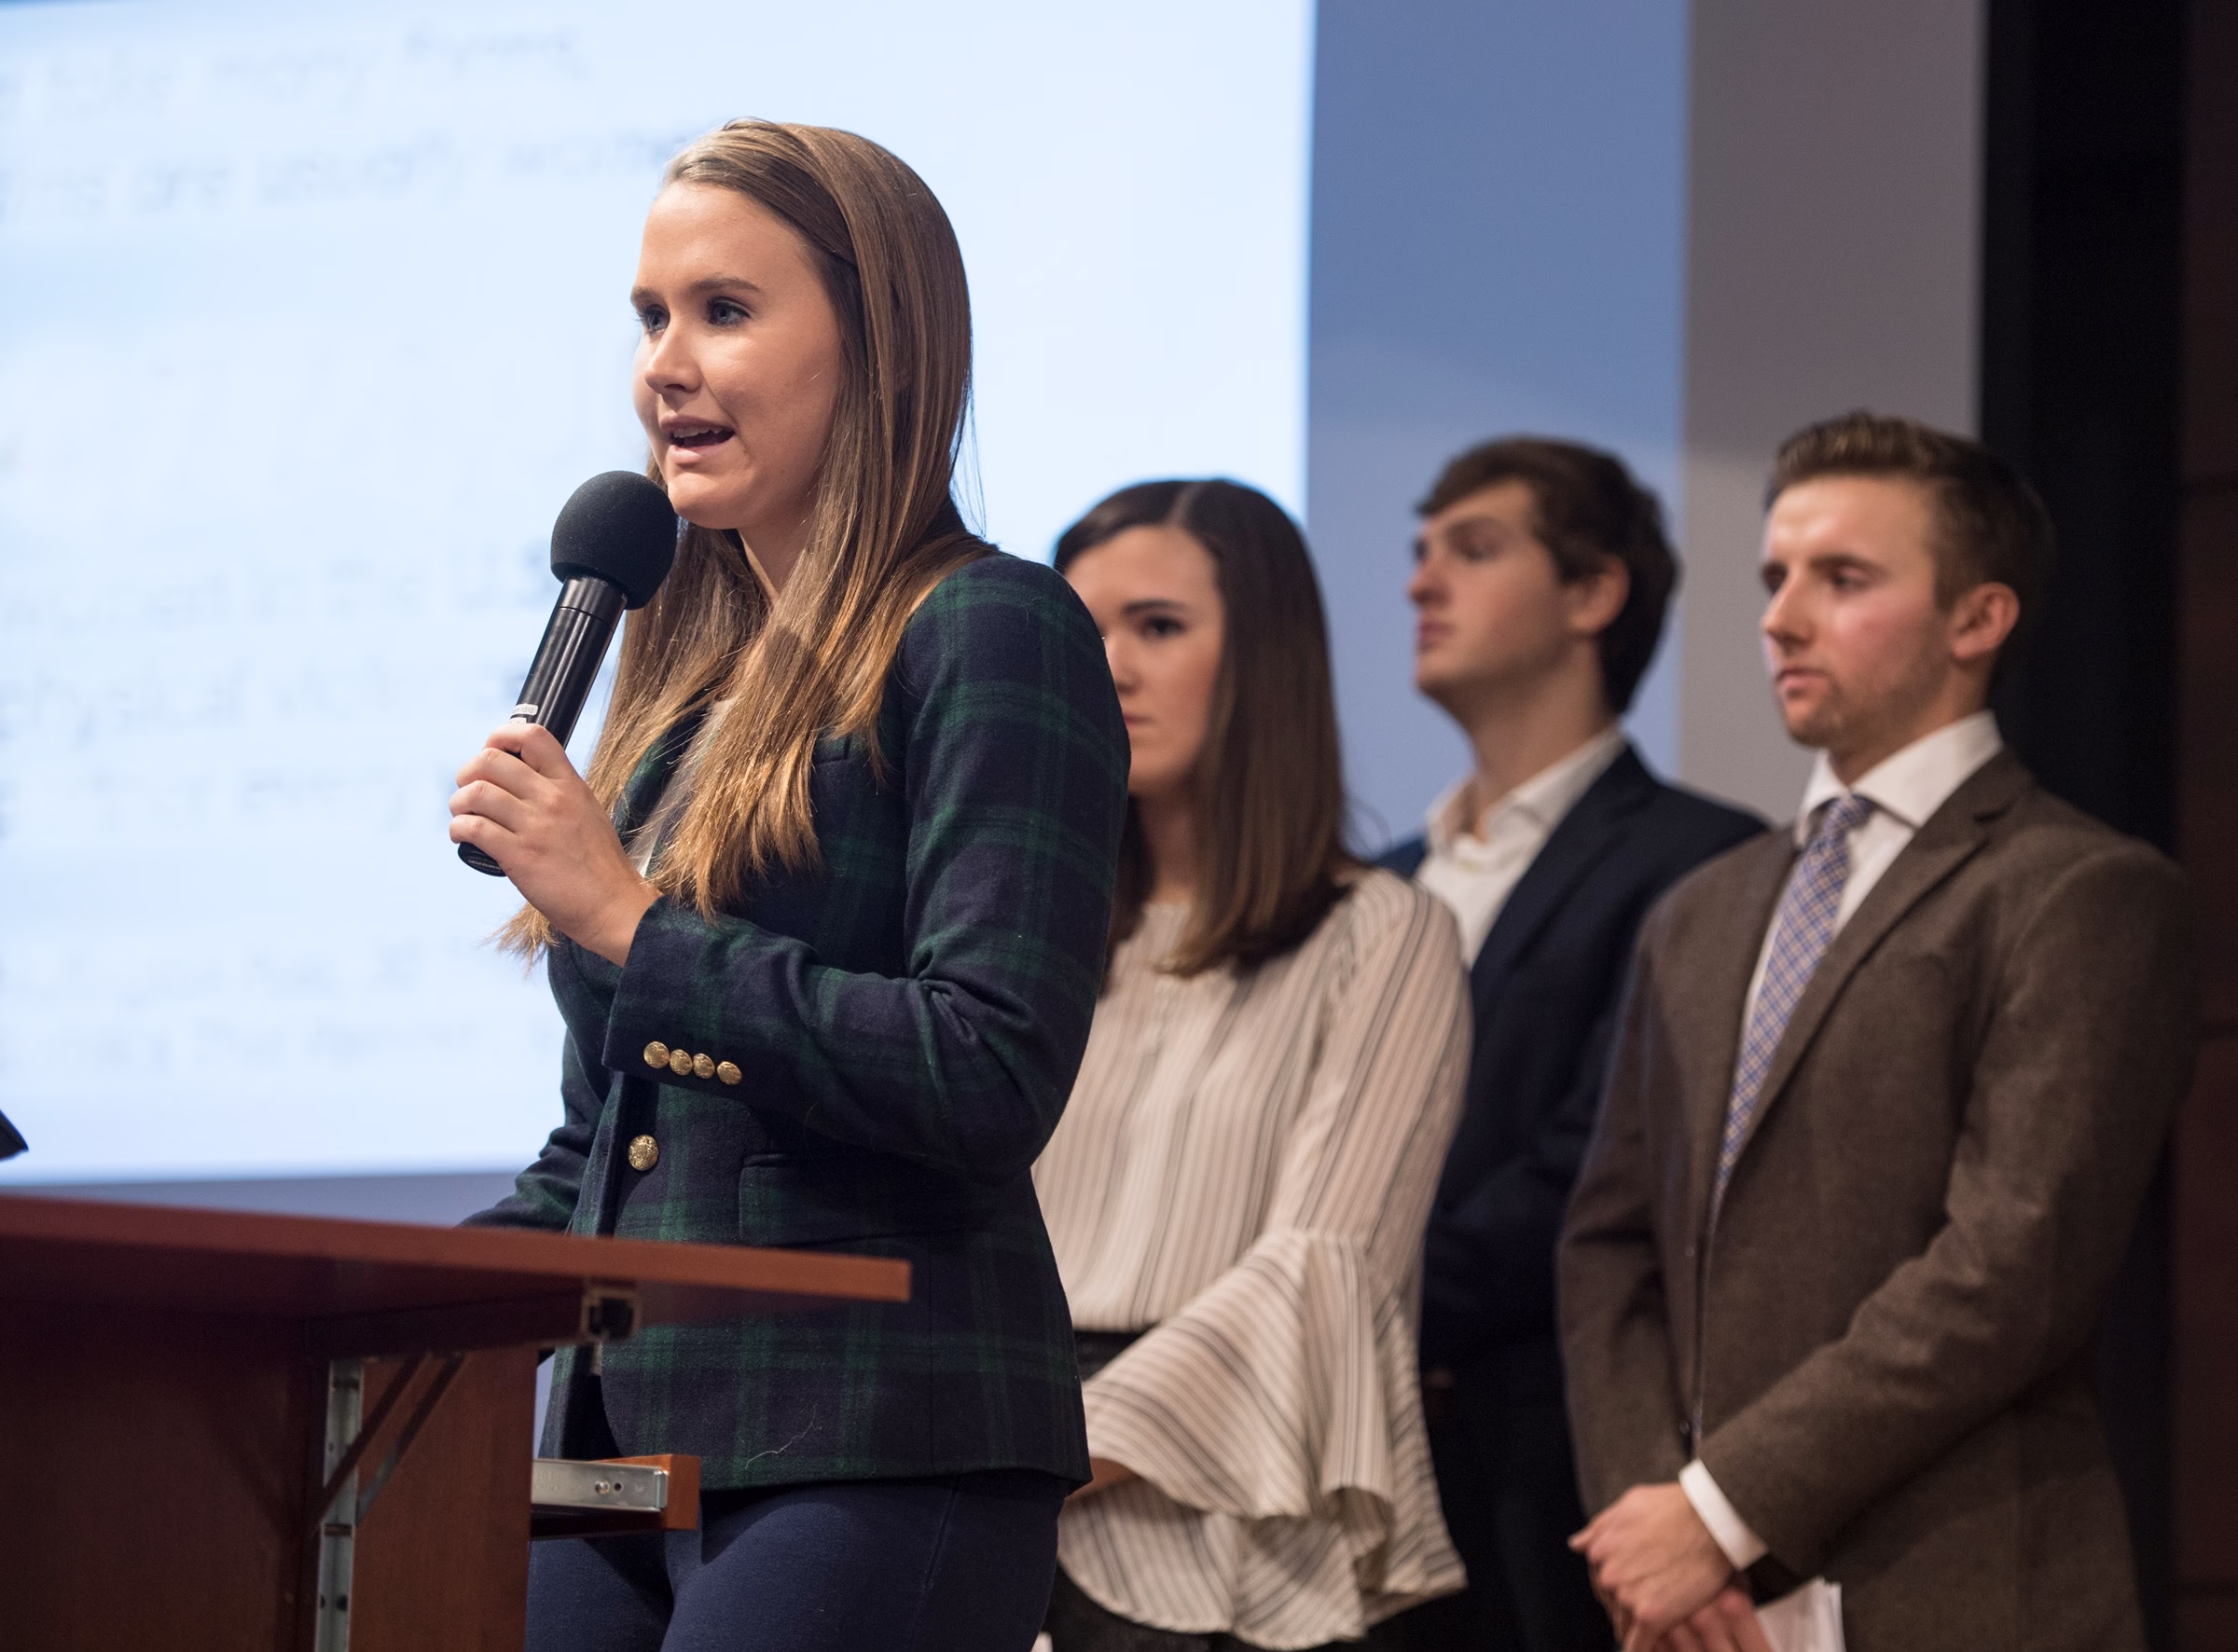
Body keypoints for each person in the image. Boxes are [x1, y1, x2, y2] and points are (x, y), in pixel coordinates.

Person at [449, 120, 1129, 1651]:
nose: (665, 366)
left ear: (878, 344)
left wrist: (629, 920)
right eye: (650, 318)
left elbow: (990, 1066)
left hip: (882, 1427)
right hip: (626, 1446)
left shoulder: (991, 629)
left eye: (725, 312)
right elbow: (610, 1138)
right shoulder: (681, 709)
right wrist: (402, 1295)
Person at [1559, 411, 2198, 1652]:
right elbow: (1606, 1247)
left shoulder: (2078, 890)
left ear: (1978, 621)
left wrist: (1719, 1509)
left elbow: (2016, 1269)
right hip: (1706, 1609)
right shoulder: (1702, 908)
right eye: (1774, 577)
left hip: (1959, 1590)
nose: (1781, 617)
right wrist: (1660, 1533)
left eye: (1842, 580)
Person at [1033, 479, 1472, 1651]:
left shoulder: (1381, 934)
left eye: (1158, 627)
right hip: (982, 1473)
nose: (1110, 667)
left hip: (1200, 1518)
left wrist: (1038, 1455)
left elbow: (1320, 1272)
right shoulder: (1026, 937)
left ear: (1264, 660)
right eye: (1084, 633)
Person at [1370, 439, 1761, 1652]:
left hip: (1547, 1480)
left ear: (1594, 594)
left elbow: (1595, 1167)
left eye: (1474, 551)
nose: (1419, 586)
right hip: (1367, 1475)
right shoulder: (1378, 883)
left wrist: (1347, 1309)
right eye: (1419, 555)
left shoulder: (1702, 860)